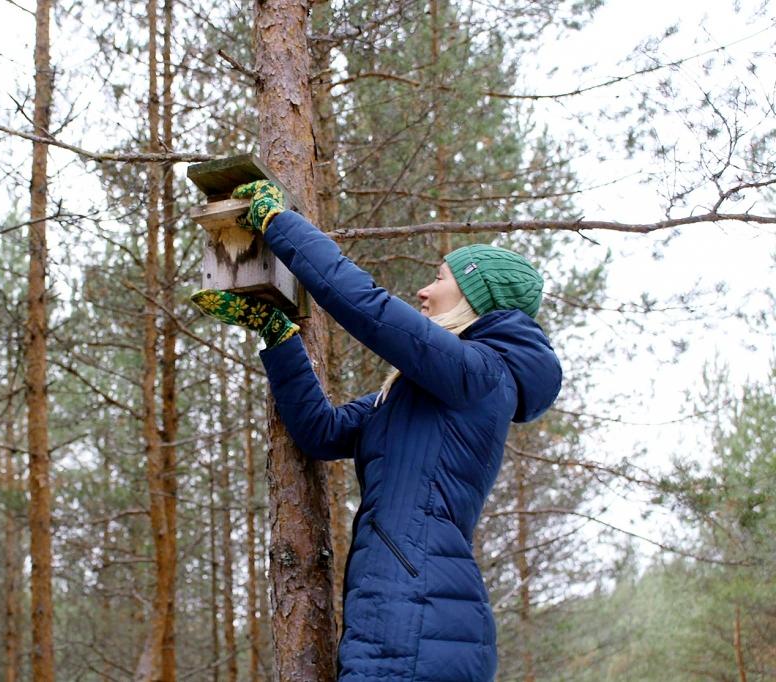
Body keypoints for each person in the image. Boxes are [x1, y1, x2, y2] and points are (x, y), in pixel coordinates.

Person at [190, 180, 562, 681]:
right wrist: (279, 338)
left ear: (476, 296)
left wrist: (278, 224)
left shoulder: (481, 375)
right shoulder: (419, 393)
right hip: (398, 614)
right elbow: (322, 432)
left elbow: (368, 307)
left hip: (420, 622)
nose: (425, 291)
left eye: (440, 277)